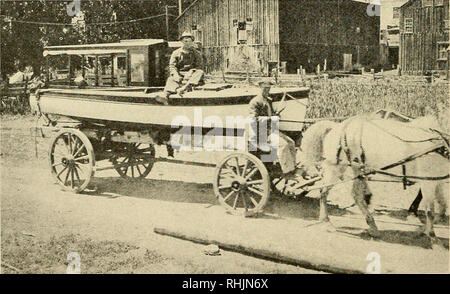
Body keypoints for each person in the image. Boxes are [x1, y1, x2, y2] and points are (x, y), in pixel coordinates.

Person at [248, 81, 302, 186]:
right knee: (283, 145)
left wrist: (275, 116)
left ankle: (293, 168)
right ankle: (287, 171)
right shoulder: (255, 102)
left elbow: (272, 116)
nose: (267, 91)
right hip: (262, 134)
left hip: (271, 131)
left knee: (291, 142)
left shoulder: (268, 101)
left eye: (268, 89)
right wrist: (271, 118)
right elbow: (253, 119)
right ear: (260, 88)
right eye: (265, 89)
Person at [155, 31, 205, 105]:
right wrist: (176, 75)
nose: (186, 41)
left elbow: (199, 66)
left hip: (192, 75)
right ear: (181, 41)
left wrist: (192, 71)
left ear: (192, 41)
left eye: (188, 39)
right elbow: (172, 66)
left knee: (200, 72)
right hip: (180, 74)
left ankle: (183, 88)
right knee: (170, 79)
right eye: (184, 39)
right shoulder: (176, 53)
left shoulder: (197, 53)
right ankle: (165, 96)